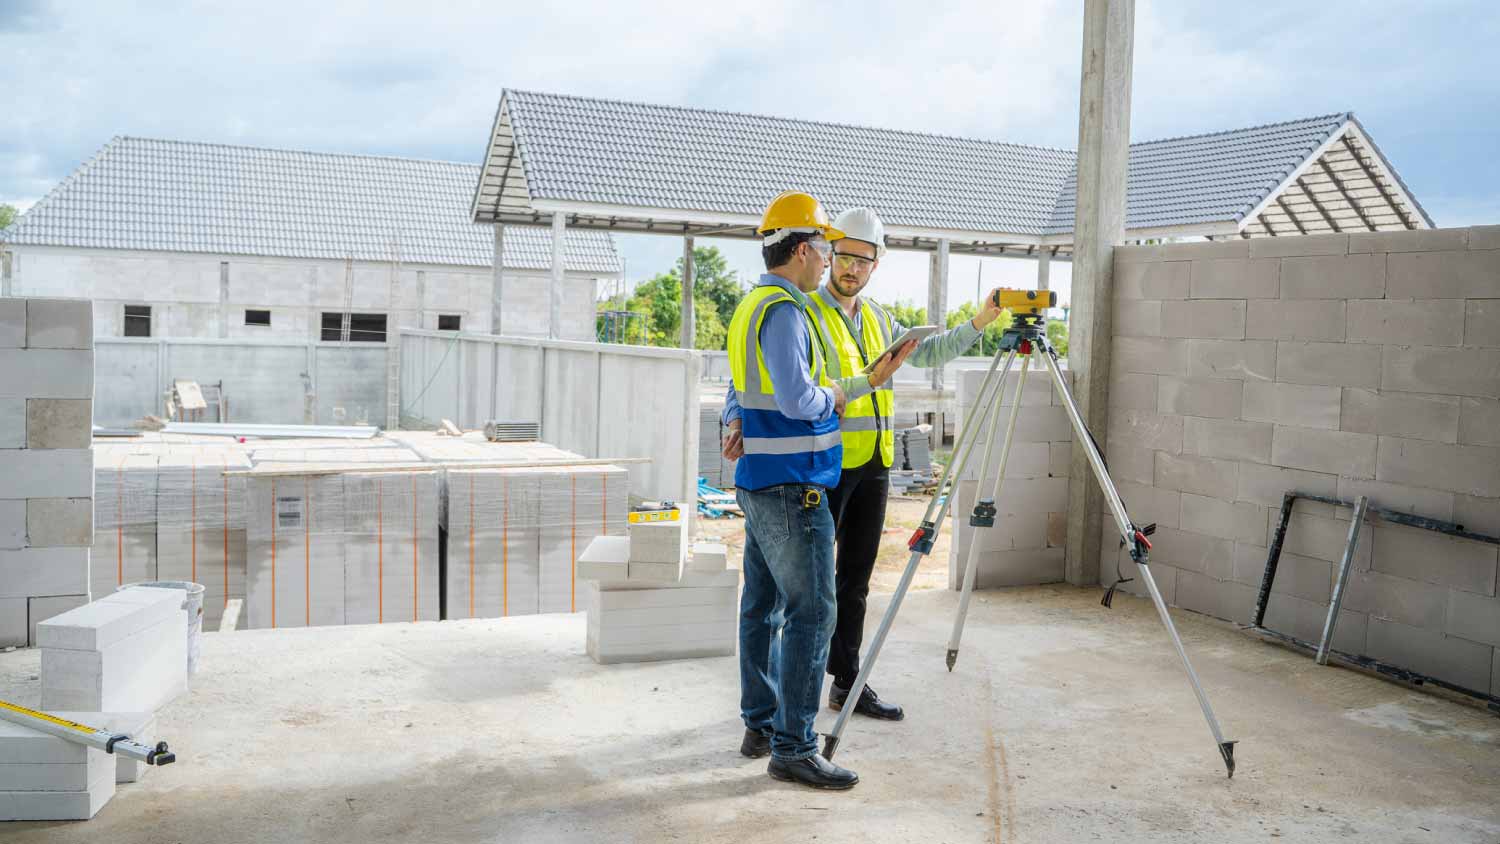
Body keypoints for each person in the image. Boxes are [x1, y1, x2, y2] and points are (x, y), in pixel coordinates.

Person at [722, 192, 914, 790]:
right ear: (805, 250)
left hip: (758, 481)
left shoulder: (751, 304)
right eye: (828, 251)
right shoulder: (785, 310)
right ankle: (795, 746)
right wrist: (858, 385)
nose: (833, 262)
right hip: (793, 487)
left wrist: (732, 417)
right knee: (813, 612)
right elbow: (798, 400)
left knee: (761, 604)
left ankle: (760, 724)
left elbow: (743, 384)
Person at [804, 207, 1008, 721]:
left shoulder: (877, 318)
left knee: (855, 581)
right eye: (844, 257)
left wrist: (980, 321)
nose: (851, 268)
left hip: (873, 464)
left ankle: (847, 681)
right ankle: (797, 688)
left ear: (876, 264)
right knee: (809, 583)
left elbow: (931, 352)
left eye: (862, 261)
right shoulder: (804, 313)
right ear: (830, 256)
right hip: (822, 465)